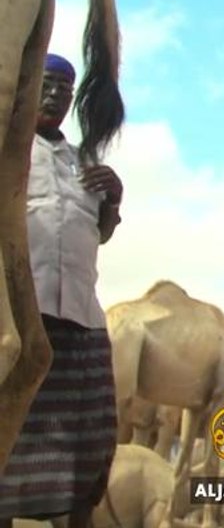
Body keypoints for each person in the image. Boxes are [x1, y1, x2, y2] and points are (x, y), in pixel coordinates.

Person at [0, 53, 123, 527]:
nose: (54, 95)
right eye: (47, 85)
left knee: (86, 449)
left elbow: (100, 232)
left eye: (64, 89)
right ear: (30, 88)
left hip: (82, 322)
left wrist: (113, 197)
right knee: (9, 446)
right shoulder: (10, 152)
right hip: (20, 319)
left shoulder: (82, 161)